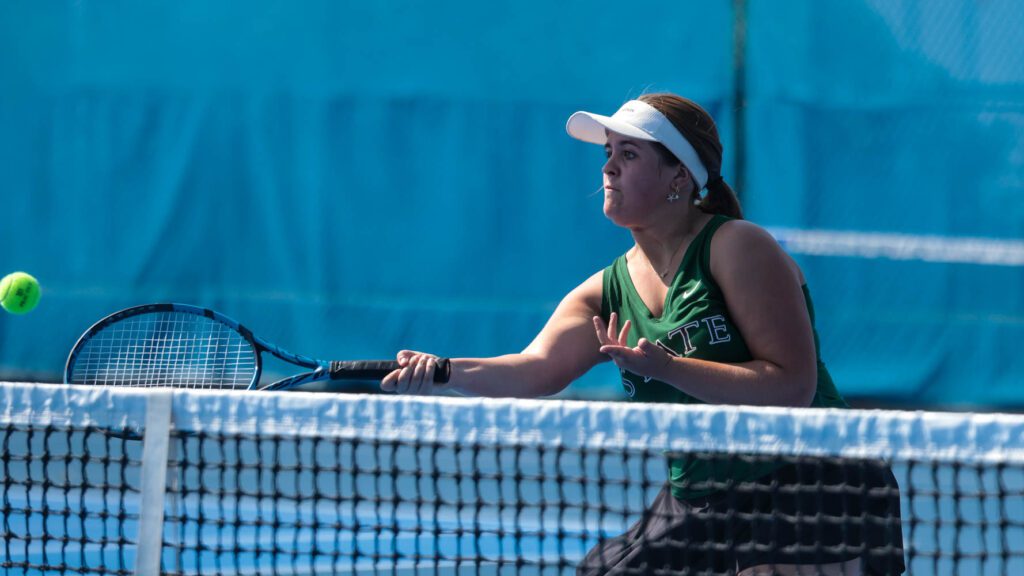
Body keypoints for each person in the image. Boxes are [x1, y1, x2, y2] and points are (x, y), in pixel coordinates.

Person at [381, 93, 905, 575]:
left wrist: (669, 369)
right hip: (705, 493)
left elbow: (792, 386)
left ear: (680, 176)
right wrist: (443, 371)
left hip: (812, 478)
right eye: (609, 153)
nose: (608, 167)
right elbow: (536, 368)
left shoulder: (738, 247)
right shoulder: (604, 292)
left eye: (629, 155)